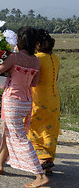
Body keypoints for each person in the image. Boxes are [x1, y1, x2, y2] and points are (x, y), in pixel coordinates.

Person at [0, 27, 49, 188]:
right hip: (26, 102)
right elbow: (34, 83)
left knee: (19, 138)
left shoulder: (14, 57)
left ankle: (40, 175)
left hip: (13, 101)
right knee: (8, 133)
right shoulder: (36, 61)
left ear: (21, 40)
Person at [27, 29, 60, 175]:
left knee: (35, 127)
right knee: (50, 130)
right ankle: (48, 160)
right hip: (53, 99)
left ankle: (41, 160)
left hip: (39, 99)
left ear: (38, 44)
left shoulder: (37, 59)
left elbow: (33, 80)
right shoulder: (56, 58)